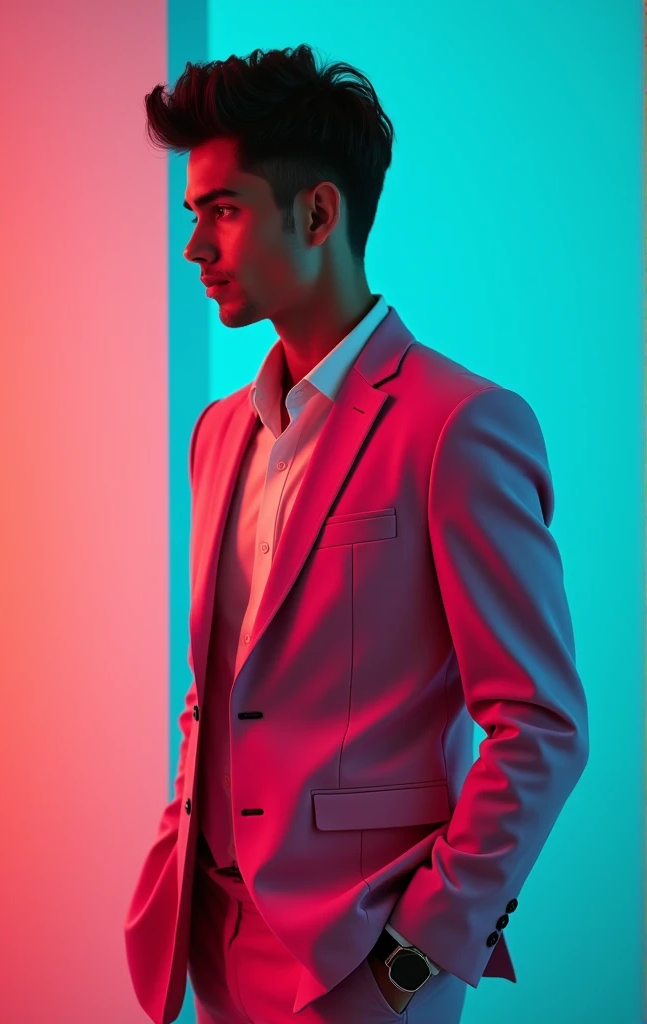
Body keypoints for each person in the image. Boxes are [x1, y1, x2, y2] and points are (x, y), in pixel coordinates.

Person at [124, 44, 589, 1024]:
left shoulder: (458, 426)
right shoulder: (217, 434)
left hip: (357, 963)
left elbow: (538, 726)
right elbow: (222, 691)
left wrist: (414, 960)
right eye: (191, 214)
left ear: (319, 214)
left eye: (223, 209)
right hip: (210, 944)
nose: (193, 248)